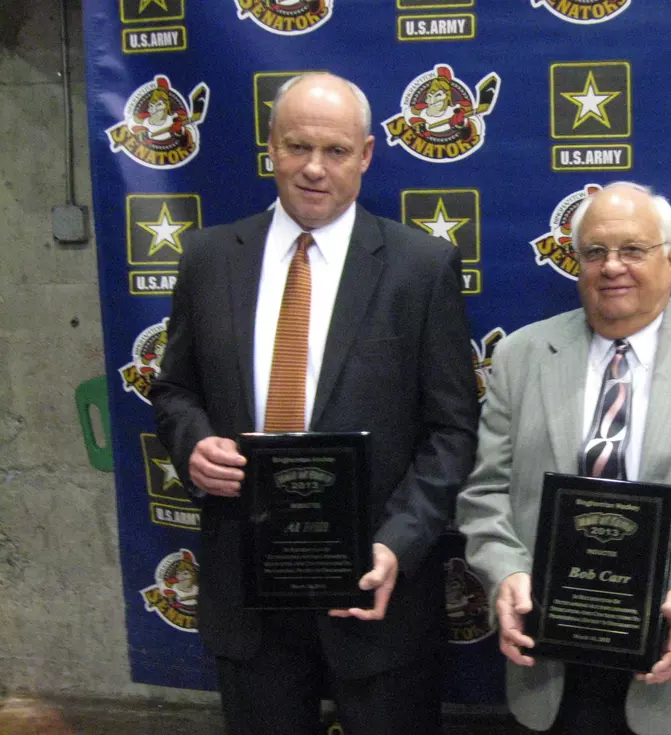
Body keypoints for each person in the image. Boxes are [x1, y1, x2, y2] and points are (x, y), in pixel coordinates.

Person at [151, 72, 479, 735]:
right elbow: (174, 389)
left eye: (335, 151)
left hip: (375, 587)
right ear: (271, 145)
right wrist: (193, 443)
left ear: (365, 155)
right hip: (249, 587)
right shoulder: (208, 258)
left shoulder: (421, 267)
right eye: (298, 146)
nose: (313, 168)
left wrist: (398, 544)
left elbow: (451, 430)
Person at [455, 182, 671, 735]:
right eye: (595, 252)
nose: (611, 267)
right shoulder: (521, 357)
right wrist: (505, 575)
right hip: (553, 672)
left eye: (633, 250)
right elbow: (485, 496)